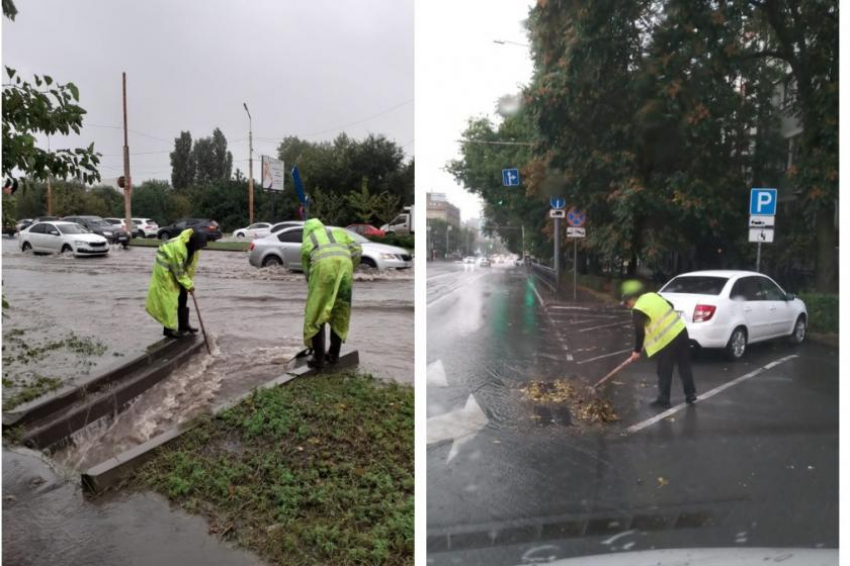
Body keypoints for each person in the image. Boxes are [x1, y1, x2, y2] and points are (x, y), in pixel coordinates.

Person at [621, 279, 697, 408]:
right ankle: (690, 394)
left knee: (664, 370)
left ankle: (664, 400)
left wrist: (637, 351)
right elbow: (670, 305)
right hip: (681, 331)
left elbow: (640, 332)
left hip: (667, 339)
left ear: (632, 299)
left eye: (627, 303)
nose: (627, 306)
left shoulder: (638, 310)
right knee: (684, 365)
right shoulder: (652, 295)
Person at [301, 218, 361, 369]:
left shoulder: (308, 241)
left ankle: (319, 359)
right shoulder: (339, 233)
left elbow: (307, 271)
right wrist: (349, 265)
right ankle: (333, 356)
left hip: (323, 273)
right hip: (345, 270)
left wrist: (314, 286)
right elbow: (357, 249)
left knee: (315, 314)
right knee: (340, 311)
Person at [145, 228, 207, 338]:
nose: (199, 248)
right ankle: (169, 329)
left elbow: (190, 267)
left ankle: (183, 325)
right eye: (198, 246)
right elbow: (178, 271)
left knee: (183, 296)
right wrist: (188, 284)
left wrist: (188, 284)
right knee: (170, 299)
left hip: (178, 271)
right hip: (165, 272)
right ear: (192, 242)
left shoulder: (195, 249)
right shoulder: (177, 247)